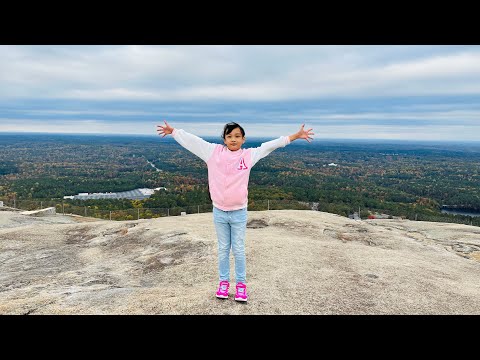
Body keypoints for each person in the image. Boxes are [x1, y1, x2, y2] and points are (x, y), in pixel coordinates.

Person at [156, 120, 314, 302]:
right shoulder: (212, 152)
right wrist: (174, 131)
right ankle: (223, 283)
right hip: (219, 212)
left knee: (238, 249)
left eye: (237, 136)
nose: (233, 139)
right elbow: (193, 141)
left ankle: (241, 285)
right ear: (224, 139)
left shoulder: (248, 156)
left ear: (243, 139)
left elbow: (270, 146)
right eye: (229, 136)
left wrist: (295, 136)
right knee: (223, 249)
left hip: (239, 212)